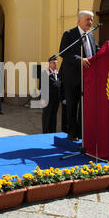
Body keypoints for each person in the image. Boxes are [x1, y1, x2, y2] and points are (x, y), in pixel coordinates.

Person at [59, 10, 99, 141]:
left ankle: (82, 132)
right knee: (71, 106)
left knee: (85, 107)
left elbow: (95, 51)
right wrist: (80, 60)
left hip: (87, 77)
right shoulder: (69, 34)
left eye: (92, 20)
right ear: (79, 20)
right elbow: (63, 53)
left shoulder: (91, 36)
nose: (91, 22)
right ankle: (71, 132)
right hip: (72, 77)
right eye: (88, 19)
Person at [41, 55, 60, 133]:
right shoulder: (45, 73)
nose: (56, 65)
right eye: (54, 63)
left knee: (53, 116)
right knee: (47, 116)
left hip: (56, 99)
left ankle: (52, 131)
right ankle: (45, 131)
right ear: (50, 64)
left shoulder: (57, 73)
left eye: (56, 63)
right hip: (47, 99)